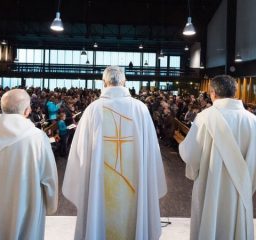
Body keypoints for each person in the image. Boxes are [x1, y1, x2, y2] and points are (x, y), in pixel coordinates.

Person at [63, 66, 167, 240]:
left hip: (101, 185)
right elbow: (152, 150)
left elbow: (79, 153)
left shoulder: (93, 110)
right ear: (125, 81)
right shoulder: (140, 109)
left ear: (104, 82)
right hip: (136, 185)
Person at [0, 89, 58, 240]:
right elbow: (48, 177)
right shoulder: (37, 138)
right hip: (24, 206)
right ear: (26, 111)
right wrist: (51, 204)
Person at [179, 75, 256, 240]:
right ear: (235, 92)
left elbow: (190, 154)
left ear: (212, 93)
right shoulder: (252, 121)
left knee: (209, 223)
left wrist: (182, 148)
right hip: (239, 190)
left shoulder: (205, 117)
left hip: (210, 187)